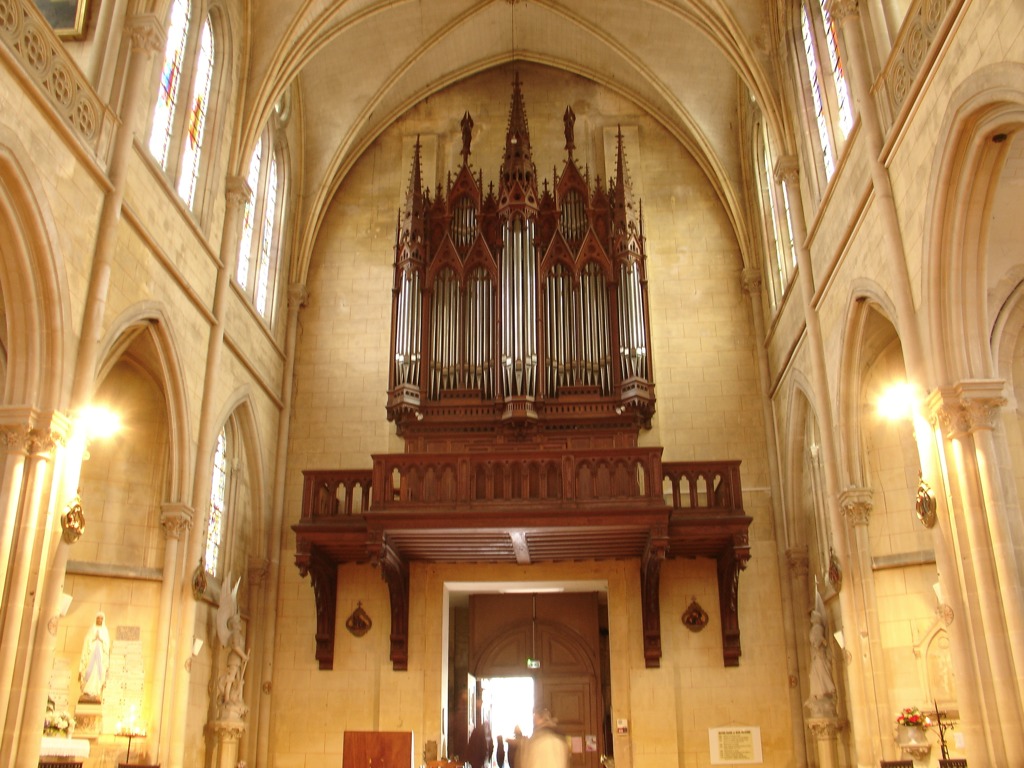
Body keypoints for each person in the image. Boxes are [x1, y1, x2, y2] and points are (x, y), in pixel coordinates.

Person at [78, 611, 110, 703]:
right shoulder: (91, 629)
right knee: (89, 670)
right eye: (98, 618)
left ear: (103, 620)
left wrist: (100, 638)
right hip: (91, 653)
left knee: (98, 671)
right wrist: (93, 638)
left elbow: (107, 644)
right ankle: (87, 690)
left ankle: (96, 691)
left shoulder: (105, 631)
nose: (99, 620)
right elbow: (87, 641)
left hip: (100, 655)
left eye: (101, 618)